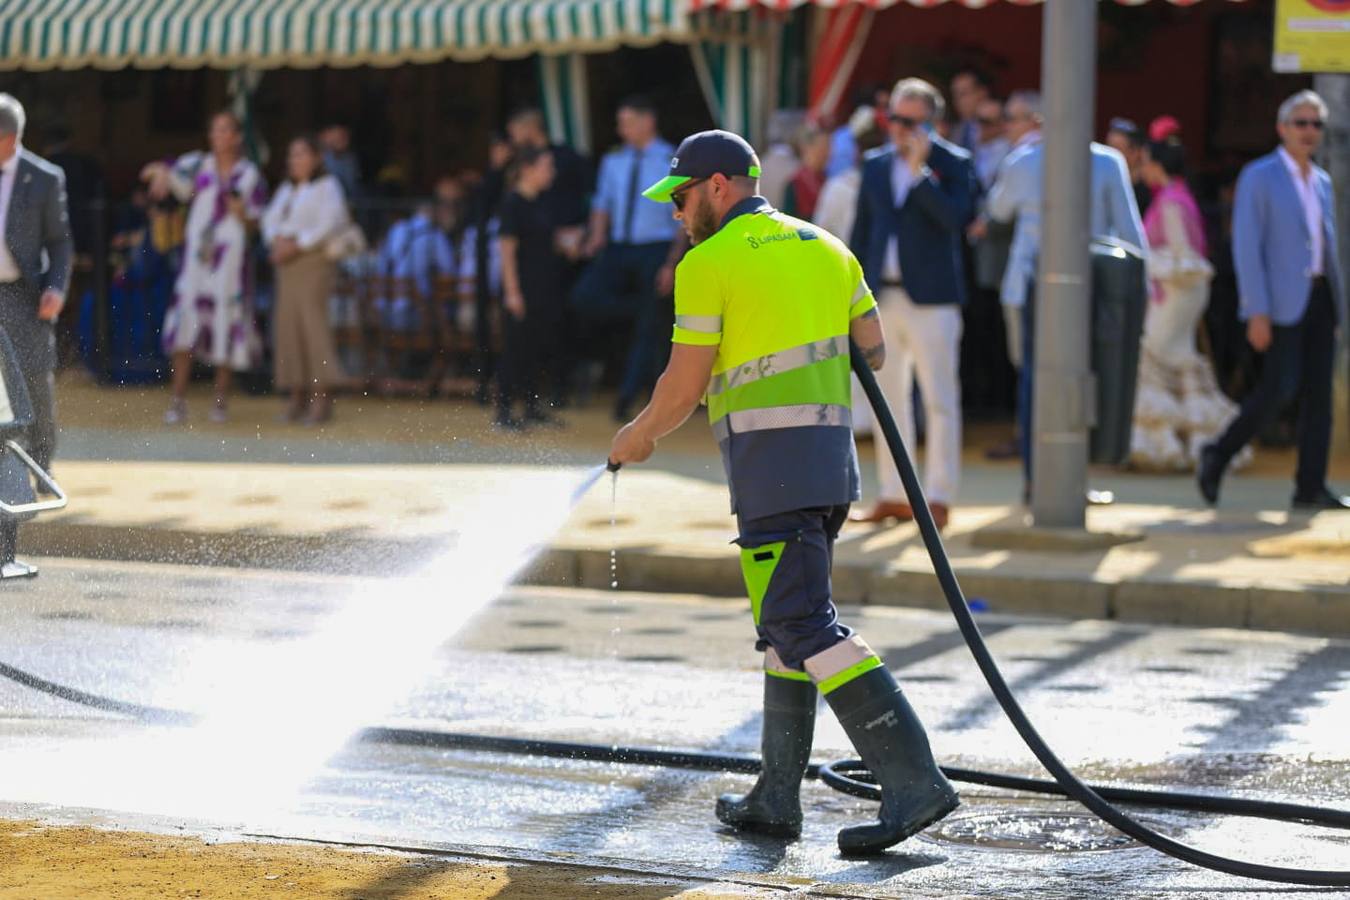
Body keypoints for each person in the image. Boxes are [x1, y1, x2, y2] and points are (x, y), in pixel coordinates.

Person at [609, 128, 958, 855]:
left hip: (771, 466)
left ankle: (914, 782)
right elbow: (874, 348)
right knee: (784, 624)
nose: (676, 213)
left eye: (679, 196)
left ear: (716, 186)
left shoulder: (710, 263)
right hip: (829, 467)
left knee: (801, 622)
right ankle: (776, 796)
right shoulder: (827, 245)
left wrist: (639, 435)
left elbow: (684, 384)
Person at [986, 108, 1146, 502]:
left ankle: (1037, 482)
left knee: (1034, 384)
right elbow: (1131, 236)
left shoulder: (1023, 161)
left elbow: (997, 210)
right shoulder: (1107, 162)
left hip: (1035, 290)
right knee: (1081, 382)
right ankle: (1064, 482)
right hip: (1084, 293)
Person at [1199, 90, 1347, 510]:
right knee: (1279, 388)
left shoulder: (1320, 181)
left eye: (1316, 124)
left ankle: (1310, 487)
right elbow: (1248, 246)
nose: (1309, 132)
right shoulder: (1259, 176)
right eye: (1301, 123)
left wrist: (1337, 306)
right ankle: (1219, 453)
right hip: (1278, 303)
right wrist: (1256, 310)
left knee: (1320, 396)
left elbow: (1325, 245)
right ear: (1282, 129)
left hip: (1320, 299)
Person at [849, 78, 976, 530]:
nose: (897, 128)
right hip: (883, 296)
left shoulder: (953, 163)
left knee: (941, 399)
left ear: (932, 123)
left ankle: (939, 495)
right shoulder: (875, 163)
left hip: (933, 300)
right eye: (893, 118)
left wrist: (922, 174)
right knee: (889, 400)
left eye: (908, 120)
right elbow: (863, 232)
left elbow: (956, 220)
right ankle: (894, 493)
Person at [1128, 136, 1246, 471]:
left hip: (1175, 292)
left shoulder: (1170, 201)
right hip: (1179, 290)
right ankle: (1190, 443)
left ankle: (1163, 444)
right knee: (1177, 360)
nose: (1143, 167)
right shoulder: (1176, 196)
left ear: (1158, 165)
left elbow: (1183, 255)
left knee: (1157, 357)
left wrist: (1147, 263)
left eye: (1147, 161)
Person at [144, 110, 267, 425]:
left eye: (226, 130)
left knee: (226, 320)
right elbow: (160, 174)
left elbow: (257, 223)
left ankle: (220, 400)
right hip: (197, 259)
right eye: (215, 130)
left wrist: (243, 213)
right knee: (187, 322)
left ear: (237, 137)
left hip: (229, 262)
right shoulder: (197, 165)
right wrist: (160, 172)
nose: (219, 136)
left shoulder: (248, 174)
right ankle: (177, 399)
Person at [572, 96, 684, 421]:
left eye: (626, 122)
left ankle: (626, 399)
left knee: (649, 330)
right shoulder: (614, 159)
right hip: (619, 247)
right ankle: (639, 307)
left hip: (656, 247)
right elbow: (602, 204)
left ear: (647, 121)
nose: (620, 129)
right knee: (584, 298)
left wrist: (672, 263)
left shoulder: (671, 158)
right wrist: (595, 237)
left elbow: (681, 216)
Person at [0, 95, 72, 476]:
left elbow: (60, 242)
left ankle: (42, 465)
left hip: (23, 292)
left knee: (33, 379)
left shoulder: (44, 178)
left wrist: (56, 288)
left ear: (10, 138)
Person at [262, 135, 349, 426]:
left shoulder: (328, 187)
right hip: (287, 265)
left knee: (313, 327)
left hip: (312, 263)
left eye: (301, 154)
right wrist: (277, 241)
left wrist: (297, 244)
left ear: (316, 158)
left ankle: (320, 398)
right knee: (288, 329)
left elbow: (331, 222)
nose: (294, 160)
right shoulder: (287, 189)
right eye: (291, 155)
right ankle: (296, 396)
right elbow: (269, 219)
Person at [496, 147, 568, 429]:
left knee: (537, 346)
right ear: (527, 169)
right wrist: (512, 292)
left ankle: (530, 405)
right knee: (515, 348)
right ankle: (503, 411)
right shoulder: (512, 203)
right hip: (523, 286)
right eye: (546, 166)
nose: (551, 172)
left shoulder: (541, 201)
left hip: (543, 285)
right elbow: (507, 251)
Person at [782, 124, 831, 221]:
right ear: (807, 148)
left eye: (828, 147)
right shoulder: (796, 183)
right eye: (822, 147)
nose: (827, 153)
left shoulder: (826, 178)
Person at [1106, 117, 1152, 217]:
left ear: (1134, 153)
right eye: (1107, 149)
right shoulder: (1106, 187)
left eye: (1115, 149)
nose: (1108, 155)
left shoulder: (1148, 194)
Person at [949, 68, 992, 153]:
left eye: (964, 93)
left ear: (981, 93)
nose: (958, 100)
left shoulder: (1001, 125)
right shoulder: (956, 132)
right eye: (955, 95)